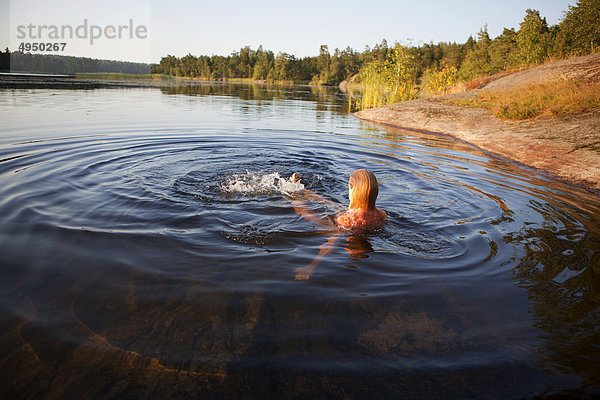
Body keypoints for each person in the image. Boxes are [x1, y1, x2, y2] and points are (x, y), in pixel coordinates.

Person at [290, 169, 386, 280]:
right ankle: (303, 189)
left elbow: (330, 244)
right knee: (334, 206)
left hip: (340, 224)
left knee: (303, 211)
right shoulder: (382, 215)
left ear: (353, 190)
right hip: (351, 220)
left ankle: (295, 191)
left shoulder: (346, 220)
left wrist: (310, 266)